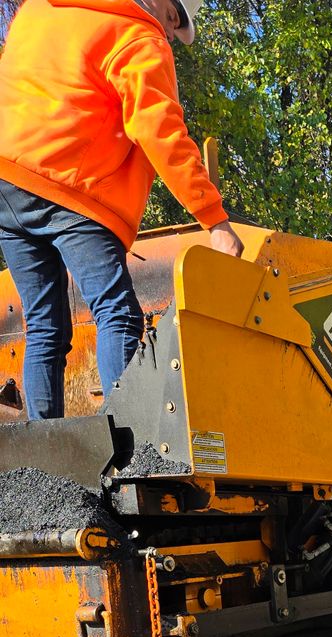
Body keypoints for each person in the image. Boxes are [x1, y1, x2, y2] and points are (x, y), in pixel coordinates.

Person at [0, 0, 243, 420]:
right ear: (162, 3)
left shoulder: (42, 8)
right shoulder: (137, 34)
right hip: (70, 188)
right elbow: (159, 129)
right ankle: (128, 456)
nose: (170, 31)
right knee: (118, 314)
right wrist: (215, 221)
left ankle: (44, 472)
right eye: (174, 19)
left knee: (45, 328)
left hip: (6, 184)